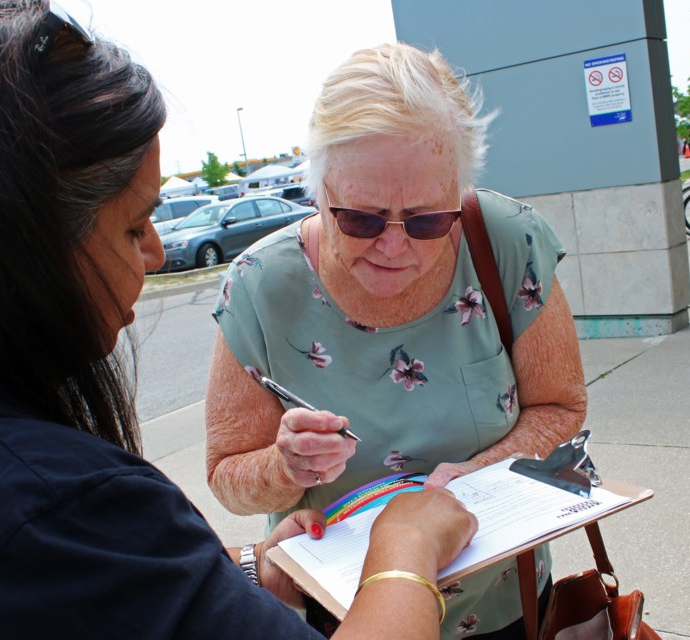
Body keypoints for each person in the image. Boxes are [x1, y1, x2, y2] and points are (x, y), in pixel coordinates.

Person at [0, 3, 480, 638]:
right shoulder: (56, 508)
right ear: (16, 244)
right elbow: (219, 477)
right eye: (133, 224)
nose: (153, 253)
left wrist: (237, 578)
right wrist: (404, 550)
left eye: (426, 219)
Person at [206, 43, 588, 638]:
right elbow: (228, 476)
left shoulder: (508, 244)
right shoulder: (260, 286)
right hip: (342, 611)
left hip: (503, 603)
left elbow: (560, 406)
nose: (393, 245)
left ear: (460, 192)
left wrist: (479, 477)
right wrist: (285, 466)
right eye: (360, 218)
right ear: (318, 188)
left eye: (427, 219)